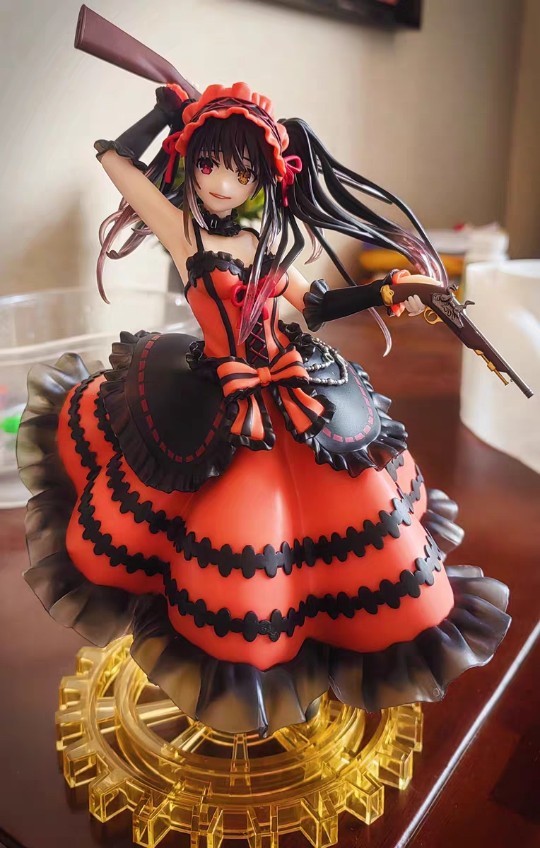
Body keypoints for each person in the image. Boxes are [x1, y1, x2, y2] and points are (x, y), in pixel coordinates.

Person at [18, 82, 510, 736]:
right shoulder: (184, 231)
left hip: (292, 384)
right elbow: (114, 158)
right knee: (222, 522)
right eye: (209, 164)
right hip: (217, 390)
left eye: (242, 171)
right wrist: (163, 114)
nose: (222, 183)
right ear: (190, 162)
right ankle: (243, 674)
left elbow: (317, 306)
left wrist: (391, 289)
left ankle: (323, 642)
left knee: (357, 501)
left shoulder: (268, 243)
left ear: (263, 180)